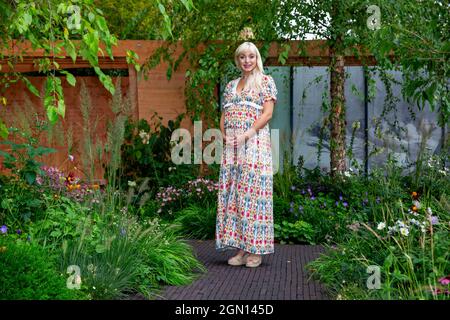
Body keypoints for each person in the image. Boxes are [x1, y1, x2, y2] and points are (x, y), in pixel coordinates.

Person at [216, 41, 278, 268]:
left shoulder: (265, 81)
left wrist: (246, 135)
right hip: (233, 148)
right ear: (237, 60)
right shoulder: (231, 85)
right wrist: (225, 136)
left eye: (251, 56)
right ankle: (241, 249)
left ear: (257, 58)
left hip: (254, 144)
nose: (247, 61)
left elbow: (268, 114)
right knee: (235, 195)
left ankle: (255, 249)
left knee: (253, 195)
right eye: (242, 57)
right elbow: (224, 115)